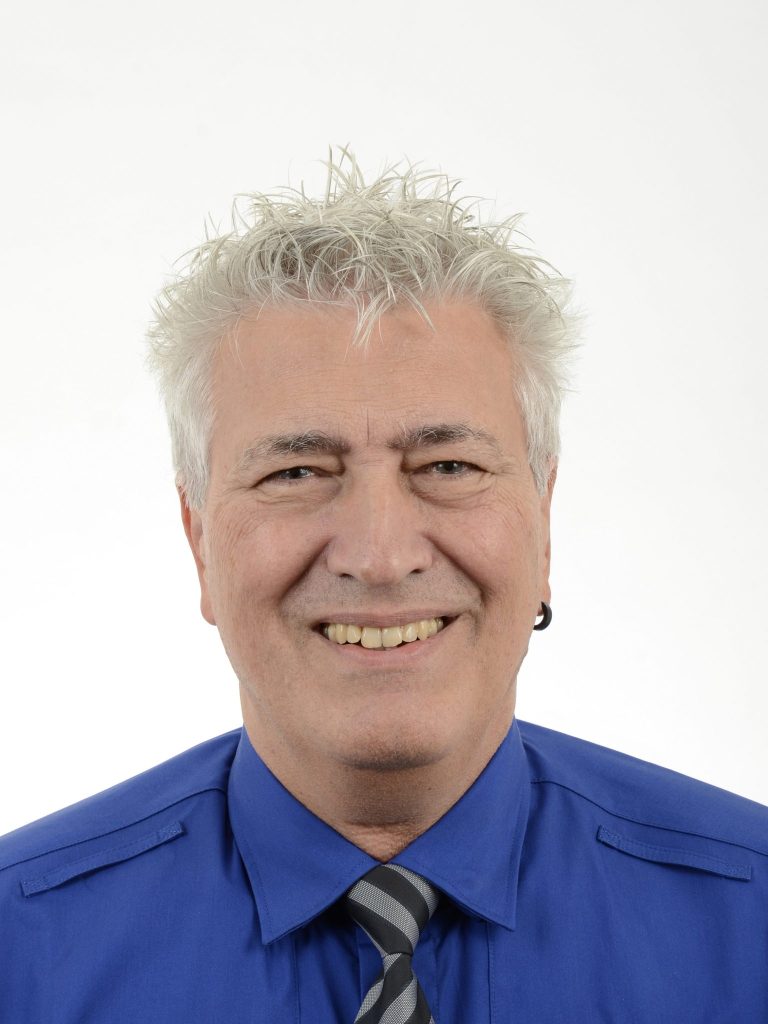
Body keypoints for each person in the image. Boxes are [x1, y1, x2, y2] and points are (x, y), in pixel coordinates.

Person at [1, 151, 766, 1024]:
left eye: (448, 466)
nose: (379, 554)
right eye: (295, 472)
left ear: (543, 520)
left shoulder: (752, 930)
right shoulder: (19, 955)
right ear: (200, 539)